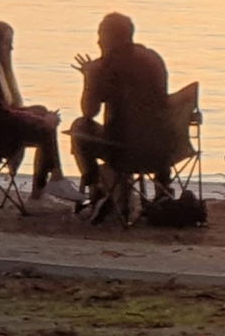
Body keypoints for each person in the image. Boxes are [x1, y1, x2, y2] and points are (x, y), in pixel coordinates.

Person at [70, 13, 171, 214]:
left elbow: (89, 112)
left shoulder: (105, 67)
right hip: (163, 149)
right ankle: (163, 190)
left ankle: (96, 189)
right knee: (150, 125)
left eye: (100, 35)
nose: (97, 41)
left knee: (79, 127)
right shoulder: (153, 59)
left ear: (110, 38)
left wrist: (90, 78)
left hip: (123, 149)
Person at [0, 20, 83, 203]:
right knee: (45, 127)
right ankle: (53, 181)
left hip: (1, 125)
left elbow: (8, 110)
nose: (11, 48)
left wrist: (38, 116)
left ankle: (46, 186)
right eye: (7, 42)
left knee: (42, 112)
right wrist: (40, 122)